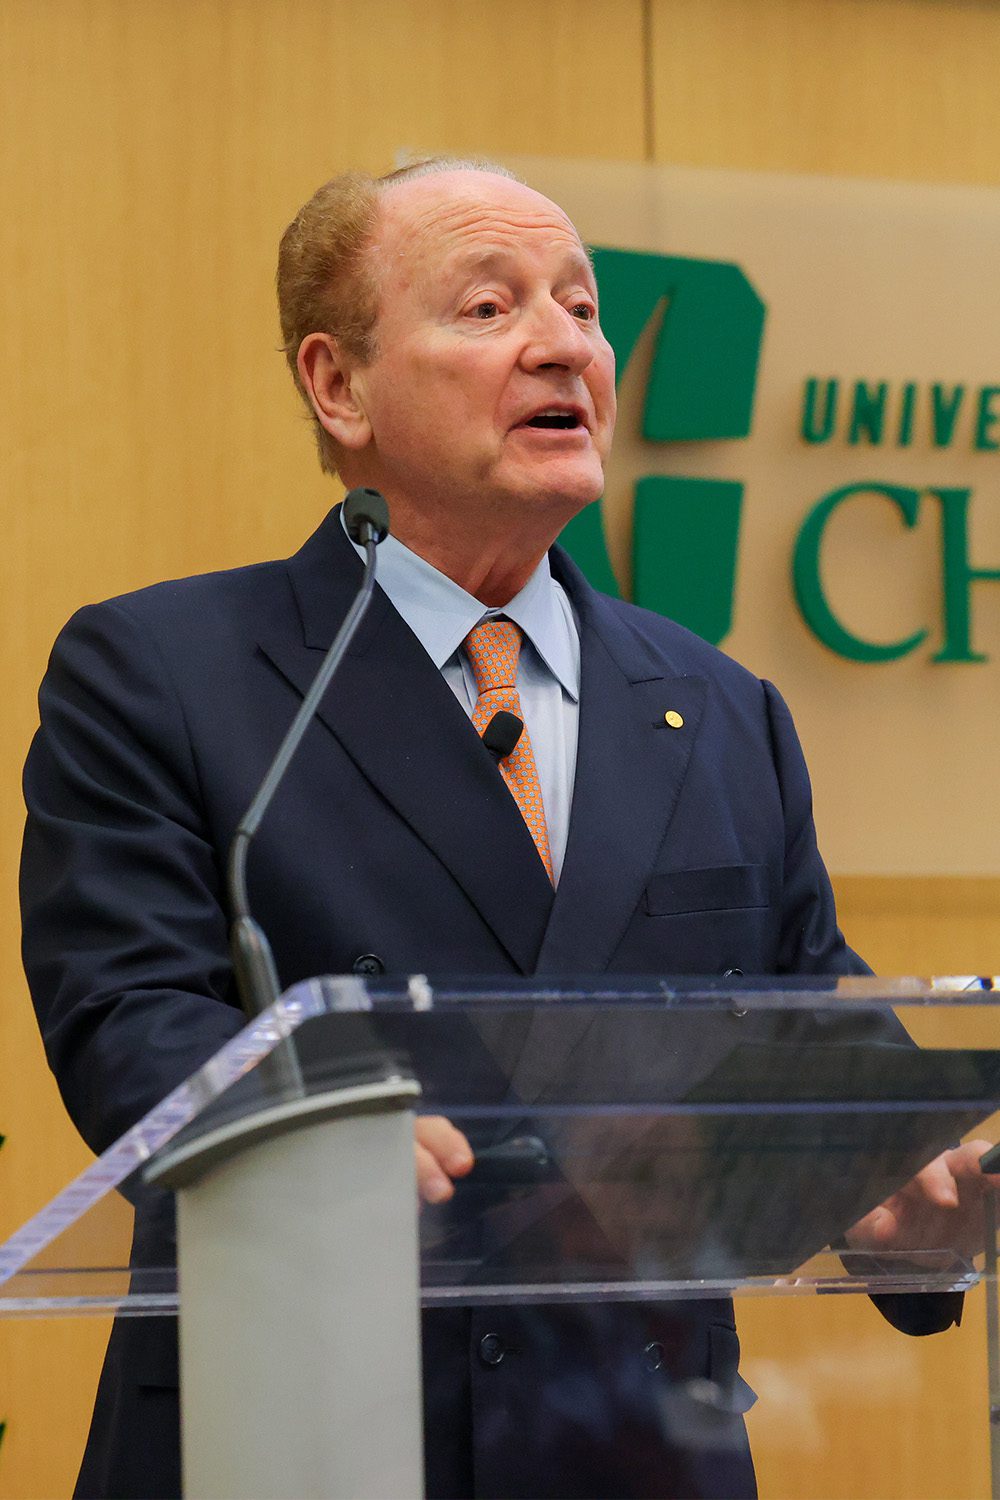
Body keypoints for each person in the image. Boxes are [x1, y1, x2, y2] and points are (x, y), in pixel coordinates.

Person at [20, 158, 995, 1500]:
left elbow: (812, 1021)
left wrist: (895, 1184)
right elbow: (128, 1018)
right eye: (488, 307)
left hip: (641, 1450)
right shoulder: (164, 671)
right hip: (298, 1429)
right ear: (338, 385)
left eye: (583, 307)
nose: (567, 344)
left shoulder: (718, 705)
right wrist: (307, 1133)